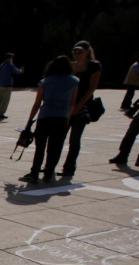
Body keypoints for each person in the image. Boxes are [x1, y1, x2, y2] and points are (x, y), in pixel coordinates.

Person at [20, 56, 79, 183]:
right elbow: (72, 103)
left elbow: (37, 103)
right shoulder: (74, 81)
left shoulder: (45, 81)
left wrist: (30, 120)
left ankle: (34, 173)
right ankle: (48, 172)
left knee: (40, 148)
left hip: (45, 117)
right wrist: (68, 118)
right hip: (61, 118)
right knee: (55, 147)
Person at [60, 41, 102, 180]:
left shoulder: (94, 66)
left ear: (87, 52)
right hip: (66, 106)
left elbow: (91, 89)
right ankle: (51, 165)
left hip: (82, 107)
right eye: (74, 51)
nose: (76, 54)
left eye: (79, 51)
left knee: (75, 139)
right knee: (58, 137)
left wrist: (78, 107)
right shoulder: (70, 65)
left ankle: (69, 168)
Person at [0, 53, 23, 120]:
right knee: (5, 101)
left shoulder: (2, 65)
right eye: (11, 58)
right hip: (7, 86)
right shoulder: (10, 65)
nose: (12, 59)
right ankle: (0, 114)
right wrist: (21, 70)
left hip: (0, 85)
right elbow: (17, 72)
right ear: (9, 58)